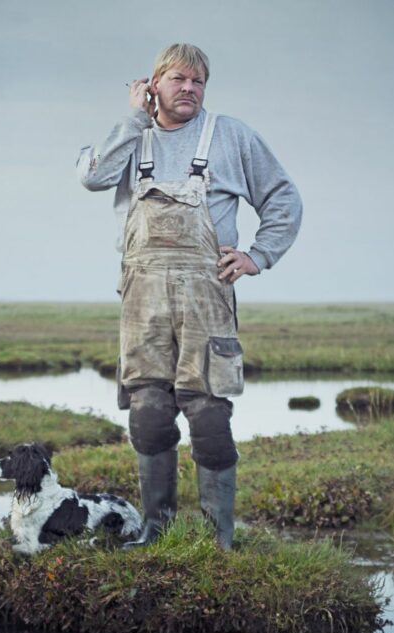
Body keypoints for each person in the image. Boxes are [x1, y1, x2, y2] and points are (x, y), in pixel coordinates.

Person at [76, 43, 301, 550]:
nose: (190, 89)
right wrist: (133, 120)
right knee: (149, 410)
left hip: (207, 292)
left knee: (209, 413)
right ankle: (157, 529)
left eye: (199, 81)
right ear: (152, 84)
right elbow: (92, 177)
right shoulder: (132, 137)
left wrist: (257, 255)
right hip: (143, 294)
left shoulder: (231, 135)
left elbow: (282, 196)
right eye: (178, 79)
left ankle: (216, 536)